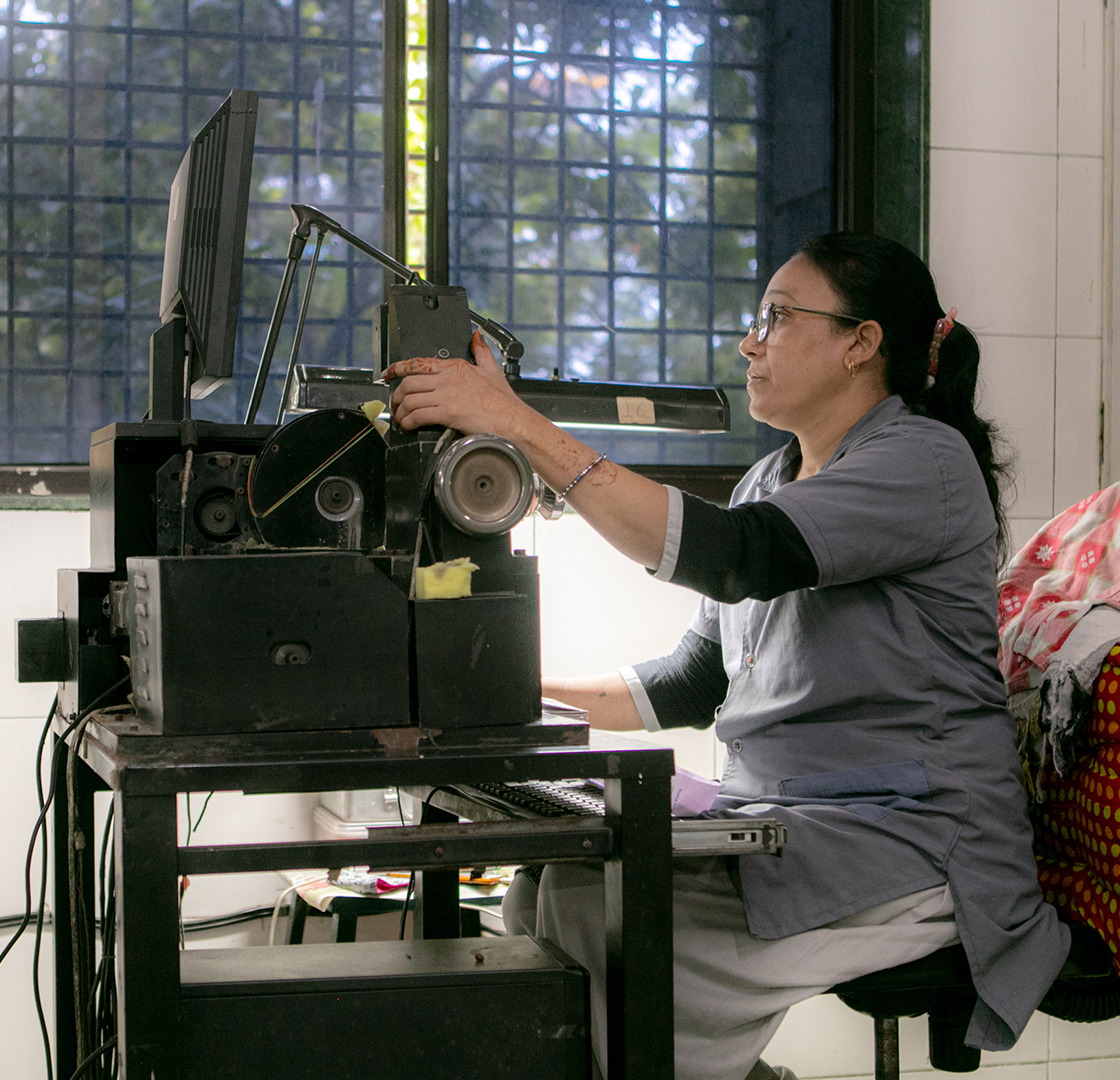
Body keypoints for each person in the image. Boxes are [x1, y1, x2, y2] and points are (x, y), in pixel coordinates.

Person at [381, 232, 1071, 1080]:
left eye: (777, 317)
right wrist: (493, 694)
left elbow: (739, 556)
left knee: (598, 917)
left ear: (862, 343)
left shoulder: (922, 462)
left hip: (918, 842)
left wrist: (516, 424)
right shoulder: (768, 479)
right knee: (556, 881)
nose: (751, 341)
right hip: (797, 825)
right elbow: (688, 682)